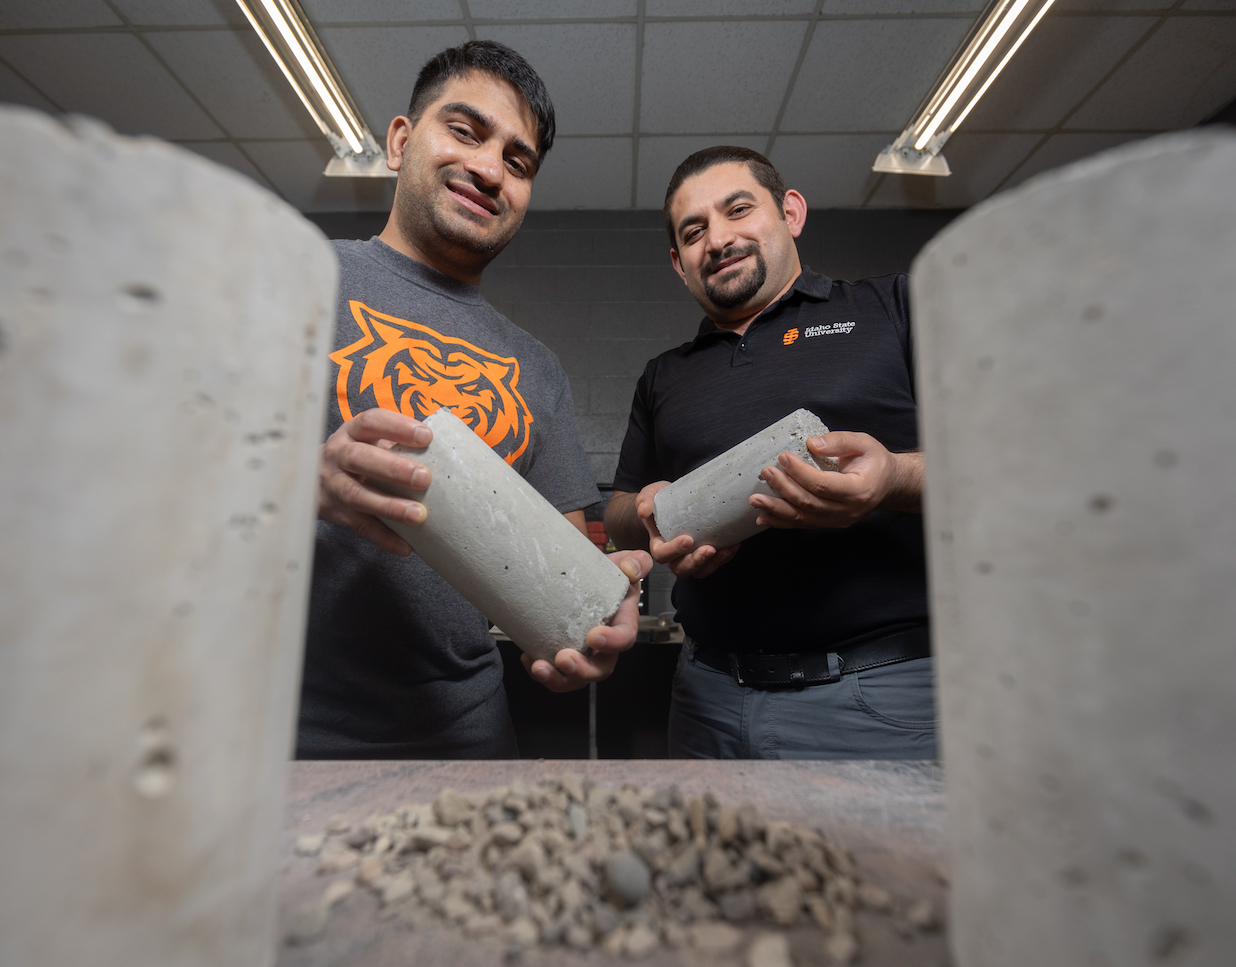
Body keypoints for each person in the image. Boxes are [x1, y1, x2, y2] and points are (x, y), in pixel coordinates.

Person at [300, 41, 650, 759]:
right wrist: (297, 481)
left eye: (518, 162)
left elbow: (574, 551)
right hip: (281, 737)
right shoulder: (293, 276)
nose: (490, 169)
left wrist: (600, 604)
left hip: (469, 739)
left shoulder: (536, 365)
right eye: (465, 131)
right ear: (401, 141)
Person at [604, 146, 933, 760]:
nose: (719, 239)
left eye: (738, 210)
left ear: (791, 213)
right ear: (679, 263)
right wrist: (649, 512)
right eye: (694, 231)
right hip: (706, 696)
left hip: (881, 696)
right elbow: (622, 511)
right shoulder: (663, 376)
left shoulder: (892, 308)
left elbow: (1007, 470)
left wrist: (892, 478)